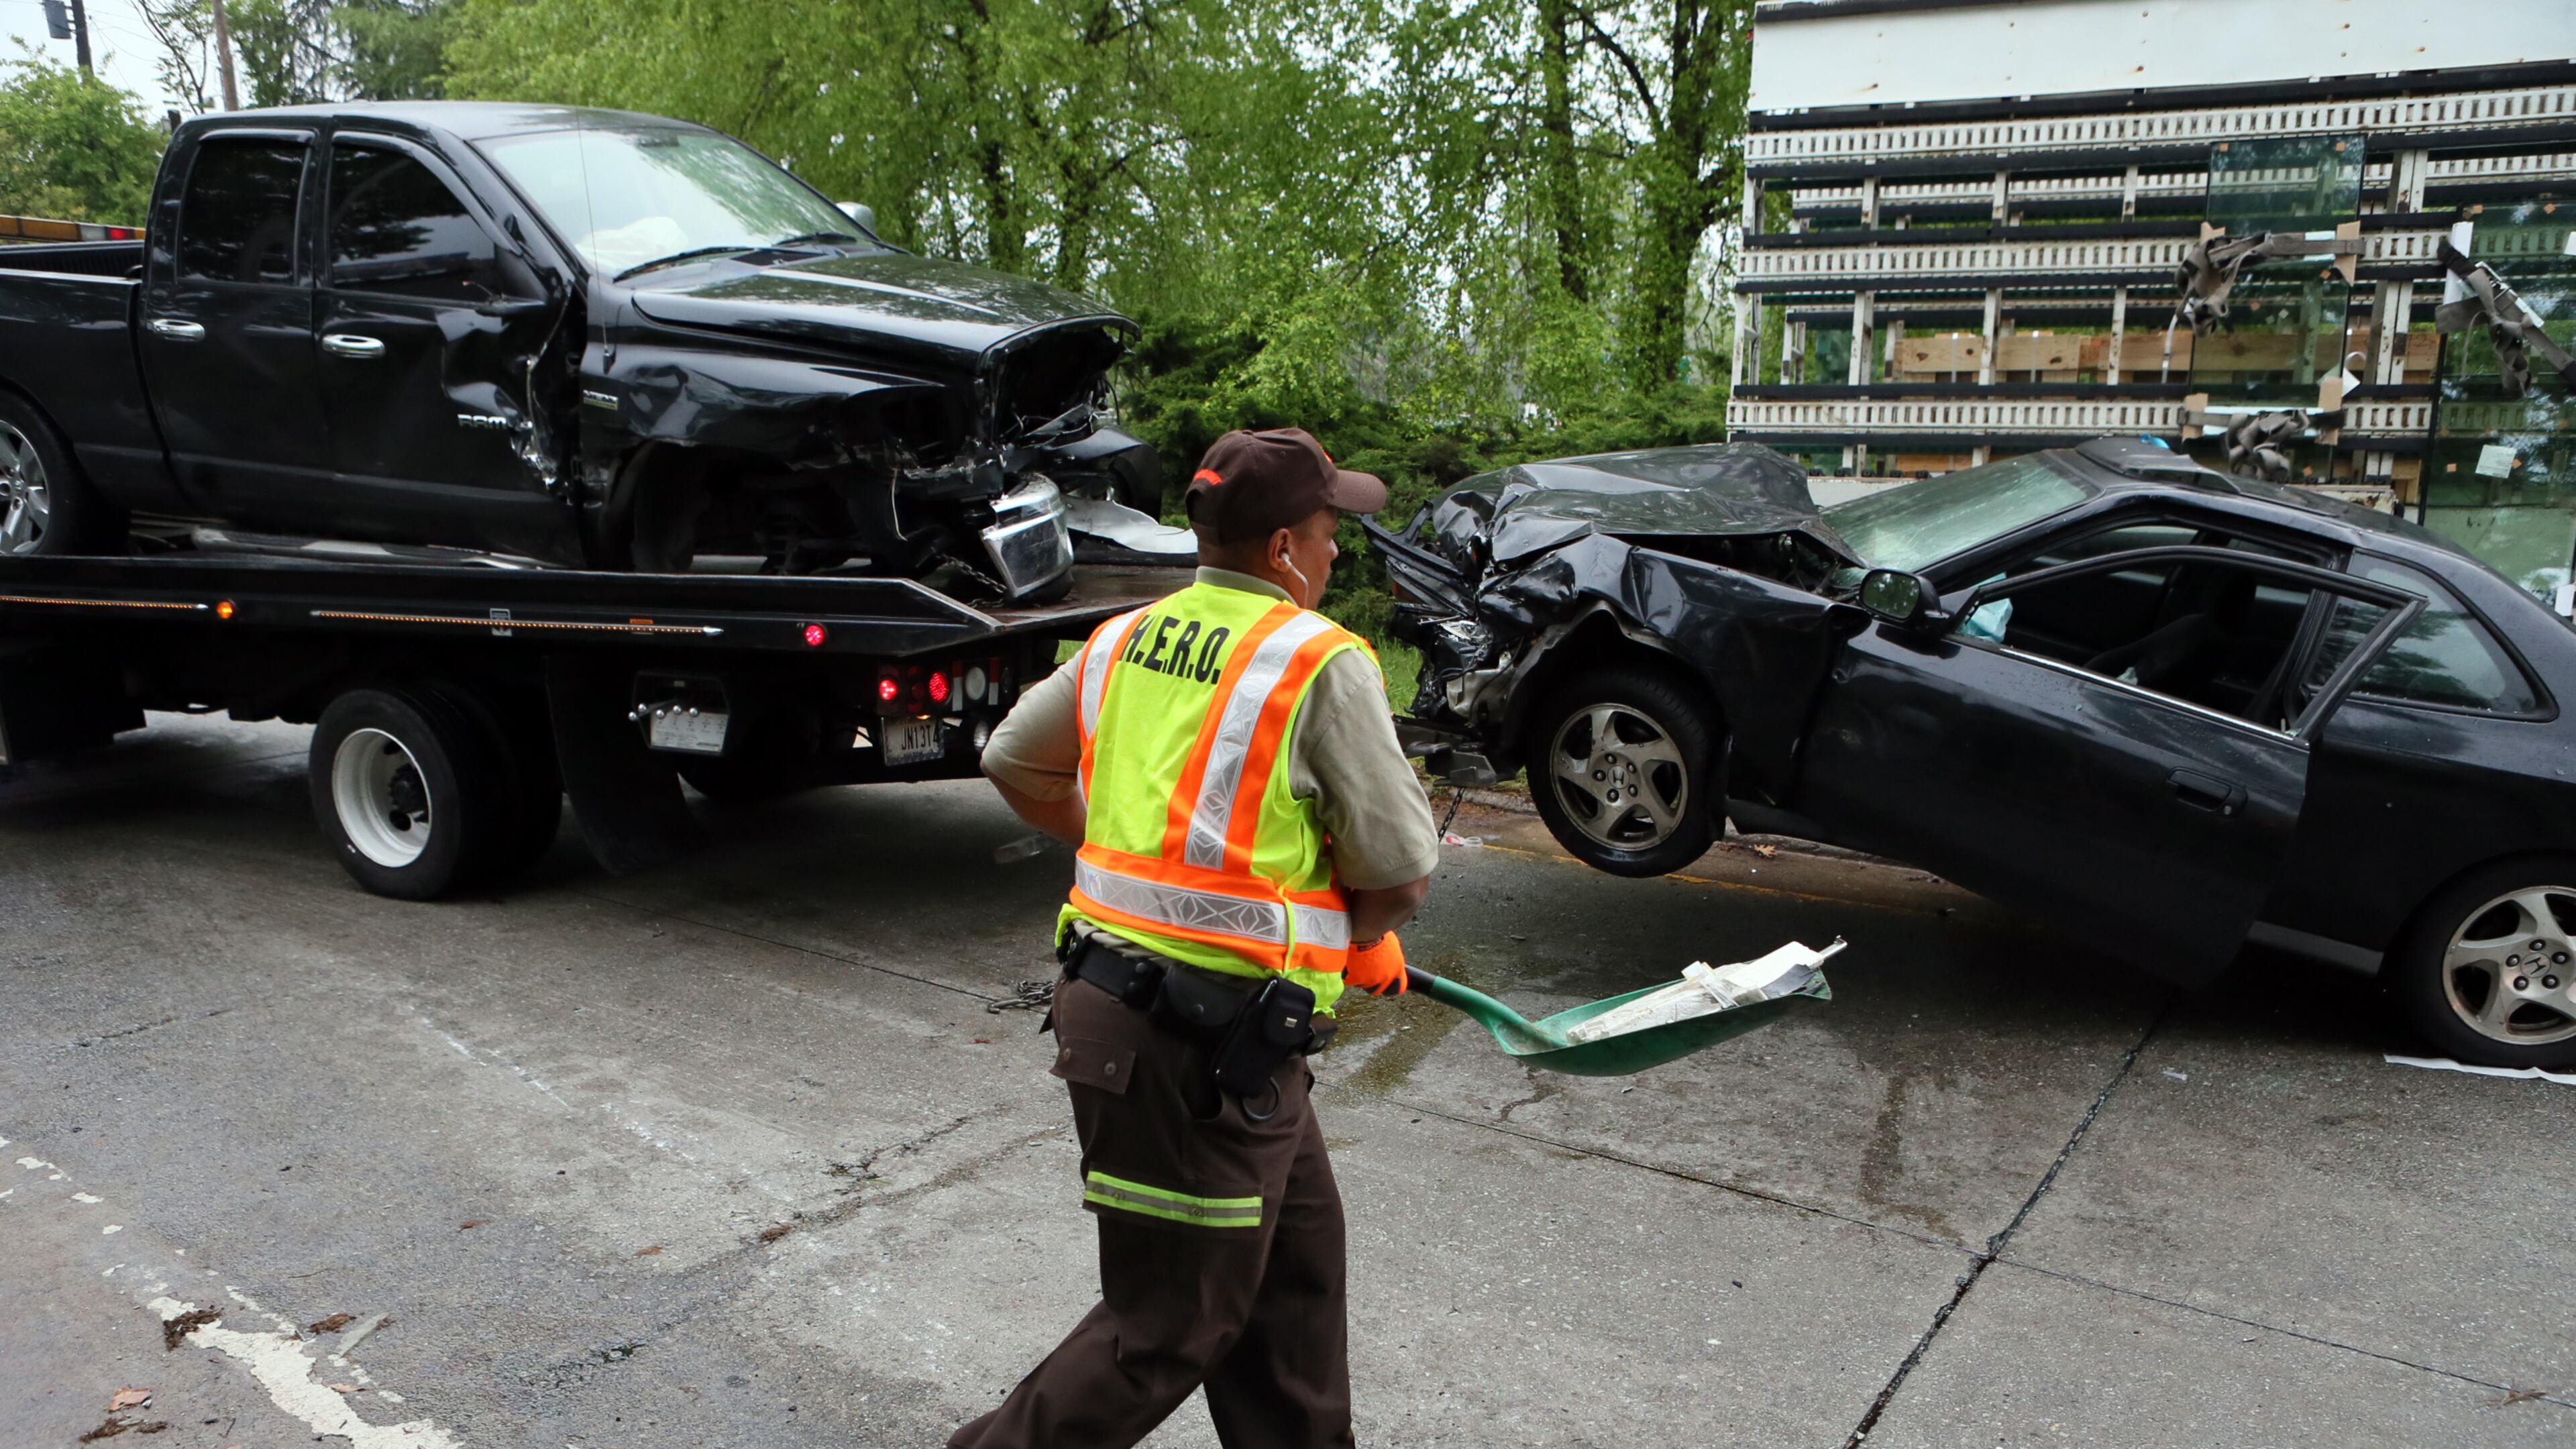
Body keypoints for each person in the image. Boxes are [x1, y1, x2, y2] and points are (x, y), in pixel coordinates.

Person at [955, 427, 1441, 1449]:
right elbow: (1398, 871)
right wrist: (1362, 936)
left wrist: (1123, 856)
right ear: (1280, 552)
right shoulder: (1318, 662)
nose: (1337, 551)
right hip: (1196, 1048)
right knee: (1169, 1325)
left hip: (1186, 1030)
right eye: (1326, 530)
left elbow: (1014, 759)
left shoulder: (1128, 638)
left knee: (1293, 1279)